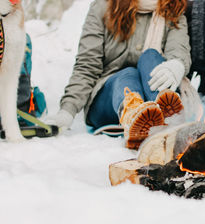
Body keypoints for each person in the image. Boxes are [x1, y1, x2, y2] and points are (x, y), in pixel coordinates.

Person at [47, 0, 191, 149]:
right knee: (129, 74)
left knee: (151, 56)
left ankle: (166, 123)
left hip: (151, 88)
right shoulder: (103, 6)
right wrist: (67, 110)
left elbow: (178, 50)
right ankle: (135, 118)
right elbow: (87, 65)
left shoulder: (173, 8)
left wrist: (177, 64)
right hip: (107, 101)